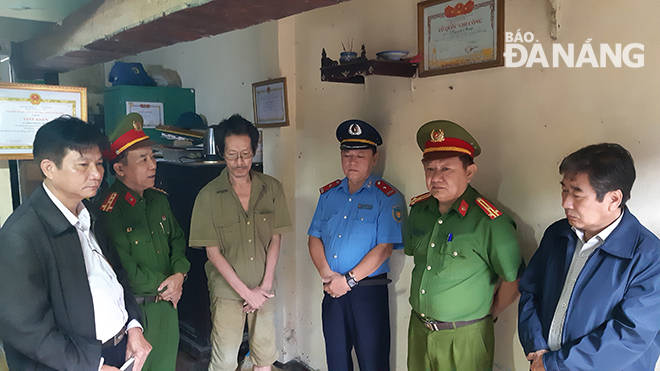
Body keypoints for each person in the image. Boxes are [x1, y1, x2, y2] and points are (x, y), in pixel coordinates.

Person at [0, 116, 151, 371]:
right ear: (49, 168)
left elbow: (116, 277)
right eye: (83, 165)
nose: (96, 174)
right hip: (76, 364)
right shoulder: (21, 236)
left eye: (99, 164)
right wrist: (93, 366)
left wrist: (134, 326)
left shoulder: (91, 214)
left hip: (118, 351)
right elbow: (29, 330)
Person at [518, 143, 660, 371]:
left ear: (614, 199)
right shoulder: (558, 234)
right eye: (564, 189)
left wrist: (555, 364)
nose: (565, 202)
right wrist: (536, 347)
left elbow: (631, 335)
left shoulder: (649, 256)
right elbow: (530, 290)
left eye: (577, 193)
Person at [405, 120, 523, 371]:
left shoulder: (491, 223)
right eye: (429, 169)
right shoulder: (418, 211)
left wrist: (487, 314)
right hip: (419, 330)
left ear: (469, 172)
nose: (435, 177)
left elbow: (513, 280)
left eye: (446, 169)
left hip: (465, 337)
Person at [189, 114, 291, 371]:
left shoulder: (272, 188)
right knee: (224, 360)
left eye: (245, 154)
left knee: (265, 357)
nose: (239, 162)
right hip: (226, 292)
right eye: (232, 154)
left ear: (255, 151)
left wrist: (264, 287)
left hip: (264, 288)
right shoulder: (208, 196)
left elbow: (275, 239)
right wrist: (247, 294)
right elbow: (212, 253)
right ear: (222, 153)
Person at [308, 119, 404, 371]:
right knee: (336, 361)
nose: (352, 161)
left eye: (360, 155)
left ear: (375, 157)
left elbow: (384, 247)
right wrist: (329, 276)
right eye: (347, 154)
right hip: (332, 289)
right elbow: (314, 237)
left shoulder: (387, 197)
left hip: (368, 293)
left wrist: (348, 281)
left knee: (373, 362)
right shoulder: (328, 195)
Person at [96, 113, 190, 371]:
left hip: (168, 308)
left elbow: (178, 240)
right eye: (143, 159)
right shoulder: (109, 211)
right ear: (119, 168)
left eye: (153, 157)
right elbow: (125, 272)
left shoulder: (158, 200)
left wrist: (180, 274)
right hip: (136, 314)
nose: (153, 165)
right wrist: (168, 286)